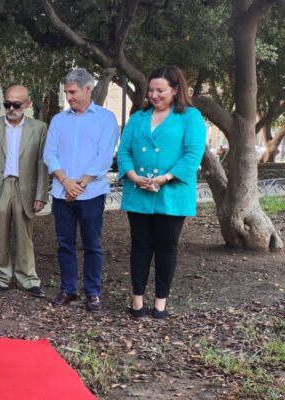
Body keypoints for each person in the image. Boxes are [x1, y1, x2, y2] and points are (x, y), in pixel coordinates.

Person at [117, 66, 206, 319]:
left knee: (166, 247)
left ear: (176, 90)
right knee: (140, 245)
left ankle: (160, 304)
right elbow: (124, 153)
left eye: (161, 90)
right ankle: (136, 302)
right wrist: (134, 177)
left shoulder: (191, 117)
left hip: (172, 193)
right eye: (151, 90)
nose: (154, 95)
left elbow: (192, 155)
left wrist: (164, 178)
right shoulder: (138, 118)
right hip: (138, 192)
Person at [43, 68, 119, 313]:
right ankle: (68, 289)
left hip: (91, 194)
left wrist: (81, 183)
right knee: (64, 243)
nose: (69, 97)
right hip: (61, 193)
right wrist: (65, 181)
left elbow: (104, 156)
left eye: (73, 92)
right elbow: (49, 153)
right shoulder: (59, 120)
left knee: (92, 244)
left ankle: (93, 293)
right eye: (66, 92)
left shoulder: (106, 119)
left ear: (88, 89)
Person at [0, 85, 49, 298]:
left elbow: (42, 164)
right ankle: (1, 278)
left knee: (25, 235)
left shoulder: (39, 128)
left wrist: (41, 194)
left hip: (26, 187)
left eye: (16, 104)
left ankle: (28, 279)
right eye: (7, 103)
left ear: (28, 104)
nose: (11, 108)